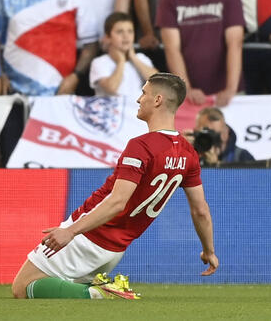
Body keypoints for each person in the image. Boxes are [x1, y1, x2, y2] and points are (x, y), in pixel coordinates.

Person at [13, 72, 217, 300]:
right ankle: (98, 291)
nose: (139, 99)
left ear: (157, 100)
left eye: (144, 93)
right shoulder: (189, 154)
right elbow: (201, 210)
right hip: (115, 250)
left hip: (89, 234)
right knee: (67, 300)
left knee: (23, 286)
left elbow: (118, 201)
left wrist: (70, 232)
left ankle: (103, 293)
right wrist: (209, 250)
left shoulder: (141, 146)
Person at [157, 0, 244, 107]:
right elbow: (172, 48)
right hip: (188, 95)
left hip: (227, 95)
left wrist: (231, 89)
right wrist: (186, 88)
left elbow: (235, 43)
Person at [90, 12, 158, 101]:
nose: (126, 36)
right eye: (119, 32)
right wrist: (121, 61)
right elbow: (111, 89)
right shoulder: (100, 62)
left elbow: (158, 84)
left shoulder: (141, 58)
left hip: (137, 112)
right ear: (108, 37)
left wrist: (133, 58)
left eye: (130, 31)